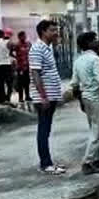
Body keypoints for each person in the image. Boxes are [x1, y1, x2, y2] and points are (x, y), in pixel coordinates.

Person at [71, 32, 99, 175]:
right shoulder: (95, 59)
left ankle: (96, 159)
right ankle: (88, 162)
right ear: (88, 43)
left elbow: (75, 84)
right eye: (94, 40)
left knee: (95, 128)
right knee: (97, 130)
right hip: (95, 97)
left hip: (86, 98)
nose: (97, 42)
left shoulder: (78, 60)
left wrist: (80, 101)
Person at [30, 20, 66, 175]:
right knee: (43, 130)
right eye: (52, 30)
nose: (56, 32)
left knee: (46, 129)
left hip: (50, 95)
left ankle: (47, 161)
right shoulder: (37, 48)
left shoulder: (47, 48)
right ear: (44, 32)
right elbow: (35, 74)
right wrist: (43, 97)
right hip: (44, 97)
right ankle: (46, 164)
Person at [0, 29, 14, 104]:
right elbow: (12, 53)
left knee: (0, 82)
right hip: (6, 64)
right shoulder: (10, 42)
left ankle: (1, 99)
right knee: (9, 83)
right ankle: (7, 98)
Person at [14, 31, 32, 103]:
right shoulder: (17, 45)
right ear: (19, 37)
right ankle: (20, 97)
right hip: (20, 67)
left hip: (27, 66)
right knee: (20, 83)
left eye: (25, 36)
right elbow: (11, 52)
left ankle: (27, 96)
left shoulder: (28, 44)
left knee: (27, 82)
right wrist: (17, 58)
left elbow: (31, 51)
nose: (24, 37)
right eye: (23, 36)